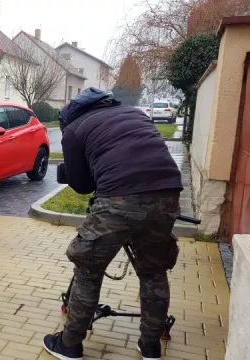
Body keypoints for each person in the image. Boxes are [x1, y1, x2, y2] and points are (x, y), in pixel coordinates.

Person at [42, 88, 184, 360]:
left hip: (118, 198)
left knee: (88, 270)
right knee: (153, 272)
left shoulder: (74, 129)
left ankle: (70, 344)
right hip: (167, 192)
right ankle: (151, 346)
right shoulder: (136, 114)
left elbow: (82, 185)